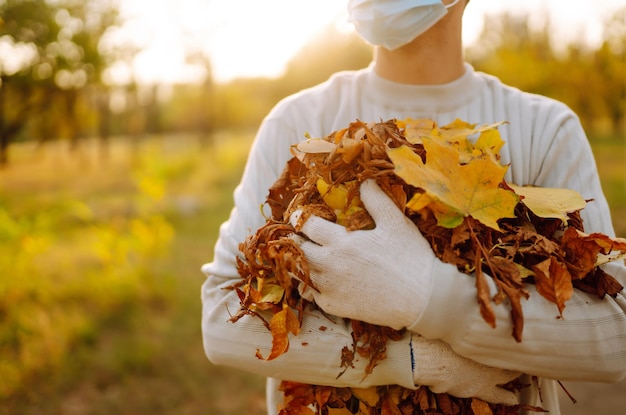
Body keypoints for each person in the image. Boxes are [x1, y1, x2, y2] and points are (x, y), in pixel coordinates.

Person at [201, 1, 626, 414]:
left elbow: (615, 339)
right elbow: (223, 322)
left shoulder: (543, 129)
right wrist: (415, 360)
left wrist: (431, 296)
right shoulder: (297, 122)